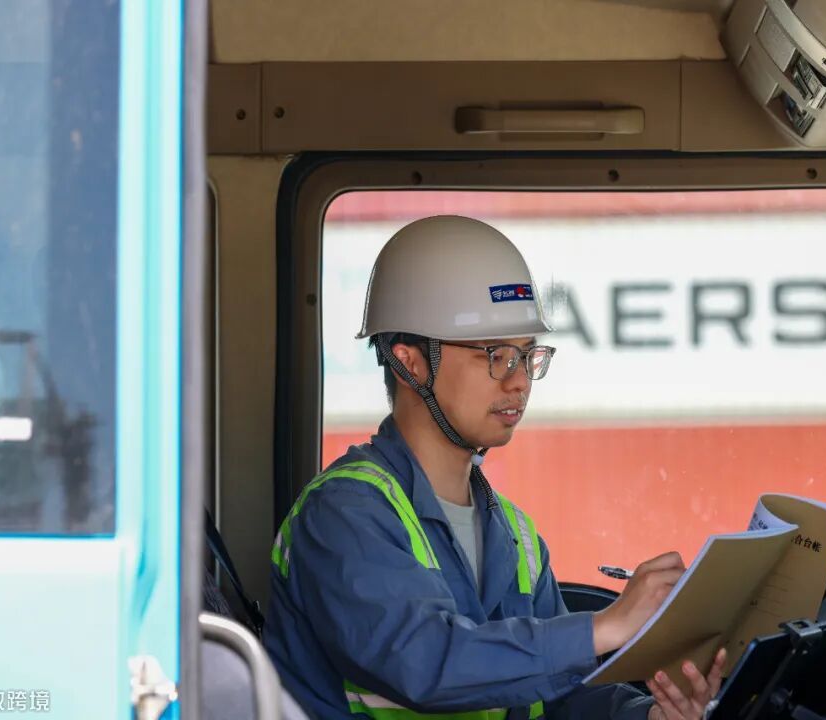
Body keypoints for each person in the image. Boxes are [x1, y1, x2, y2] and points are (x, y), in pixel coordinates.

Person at [263, 215, 725, 719]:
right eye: (496, 355)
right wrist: (608, 625)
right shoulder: (343, 515)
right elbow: (427, 662)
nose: (519, 381)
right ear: (411, 362)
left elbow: (555, 698)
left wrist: (652, 715)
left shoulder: (515, 536)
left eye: (527, 356)